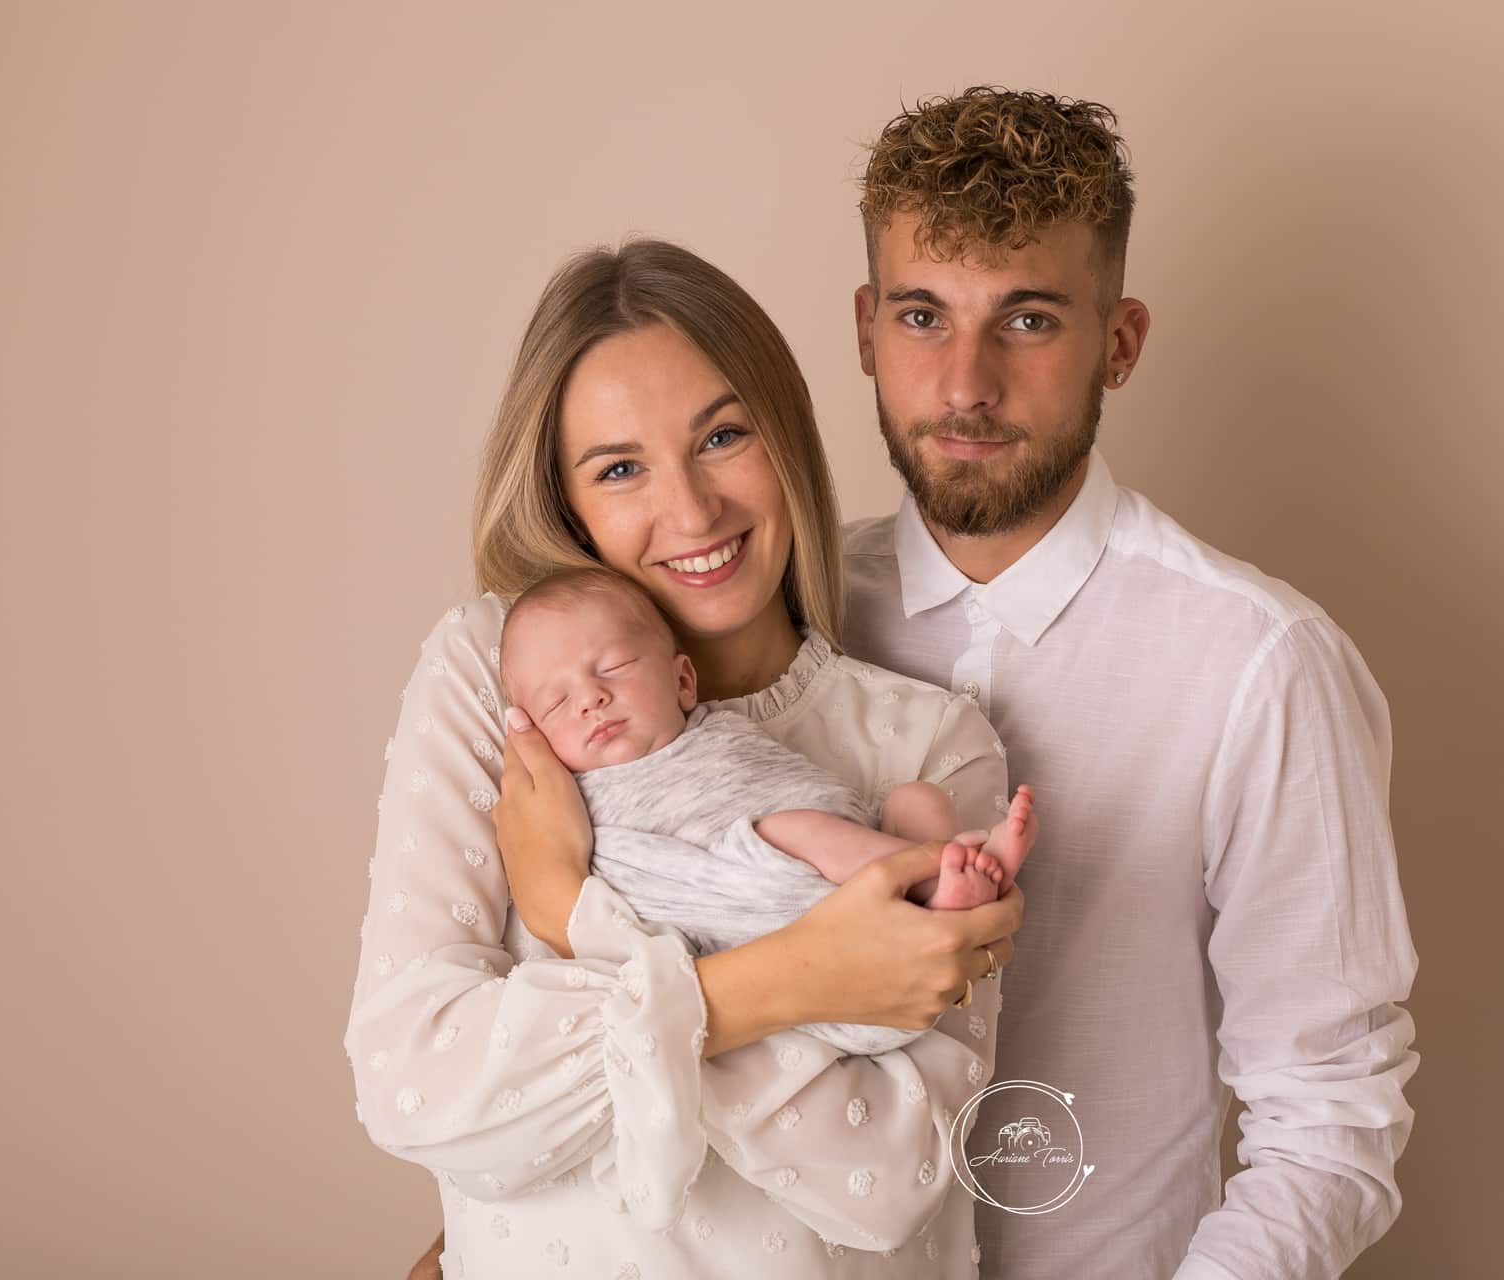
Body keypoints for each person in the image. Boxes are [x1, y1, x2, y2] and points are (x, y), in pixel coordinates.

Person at [348, 240, 1024, 1277]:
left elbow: (893, 1178)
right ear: (570, 504)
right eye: (620, 467)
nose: (694, 510)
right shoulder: (501, 687)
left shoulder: (926, 744)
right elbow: (418, 1084)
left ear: (785, 436)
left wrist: (571, 915)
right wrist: (793, 980)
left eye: (721, 437)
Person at [838, 87, 1421, 1277]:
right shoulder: (789, 615)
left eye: (1030, 320)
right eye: (921, 315)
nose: (964, 383)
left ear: (1121, 341)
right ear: (864, 329)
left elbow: (1332, 1121)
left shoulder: (1259, 661)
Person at [495, 565, 1038, 1056]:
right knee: (787, 827)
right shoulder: (575, 797)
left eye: (613, 667)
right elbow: (631, 882)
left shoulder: (718, 726)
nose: (590, 697)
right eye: (558, 702)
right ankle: (934, 870)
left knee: (916, 799)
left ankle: (943, 899)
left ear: (683, 681)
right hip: (772, 922)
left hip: (892, 934)